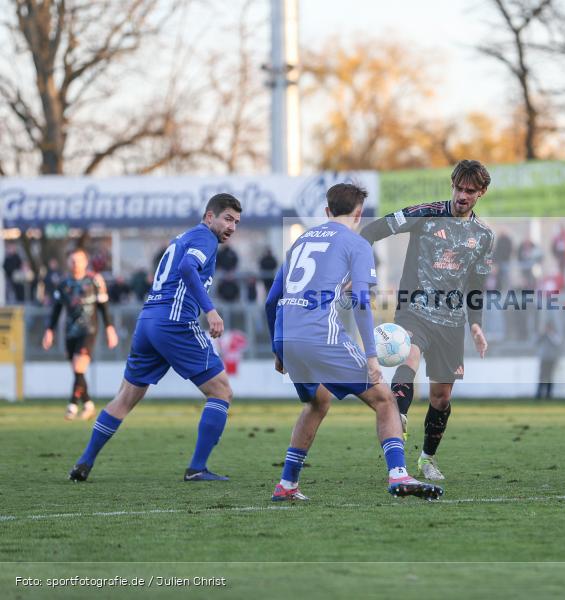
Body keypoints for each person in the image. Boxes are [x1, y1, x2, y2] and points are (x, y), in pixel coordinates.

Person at [264, 183, 441, 501]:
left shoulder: (300, 240)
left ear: (326, 212)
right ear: (358, 214)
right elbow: (361, 299)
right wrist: (372, 358)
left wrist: (278, 348)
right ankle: (399, 474)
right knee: (385, 399)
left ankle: (287, 485)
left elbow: (271, 300)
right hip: (321, 337)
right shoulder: (356, 243)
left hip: (286, 336)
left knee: (317, 402)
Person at [67, 194, 242, 482]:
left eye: (236, 222)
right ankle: (197, 468)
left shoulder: (183, 238)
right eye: (227, 219)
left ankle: (84, 462)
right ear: (209, 217)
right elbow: (187, 269)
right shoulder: (205, 238)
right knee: (222, 391)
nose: (232, 227)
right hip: (174, 322)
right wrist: (210, 311)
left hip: (148, 320)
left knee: (125, 397)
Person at [360, 160, 494, 481]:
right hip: (414, 309)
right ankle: (399, 418)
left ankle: (426, 459)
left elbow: (477, 284)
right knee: (410, 354)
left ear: (481, 193)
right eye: (459, 188)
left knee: (441, 397)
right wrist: (362, 272)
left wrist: (476, 324)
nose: (462, 195)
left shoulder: (483, 235)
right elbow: (372, 231)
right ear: (452, 184)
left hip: (451, 321)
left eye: (470, 191)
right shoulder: (426, 213)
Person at [42, 248, 118, 420]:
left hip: (88, 330)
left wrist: (109, 328)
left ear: (85, 261)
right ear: (68, 262)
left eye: (79, 260)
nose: (75, 263)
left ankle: (72, 405)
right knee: (78, 371)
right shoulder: (63, 284)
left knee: (78, 368)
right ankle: (88, 403)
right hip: (69, 331)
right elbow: (56, 309)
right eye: (72, 260)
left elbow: (103, 307)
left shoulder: (94, 281)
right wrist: (49, 330)